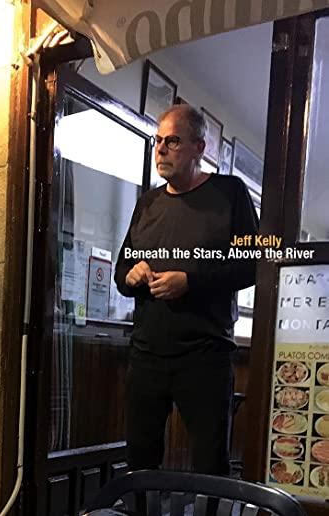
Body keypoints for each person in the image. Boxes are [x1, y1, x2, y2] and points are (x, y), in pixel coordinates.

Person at [114, 104, 258, 477]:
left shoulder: (230, 193)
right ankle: (141, 507)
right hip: (146, 354)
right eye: (158, 140)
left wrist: (189, 282)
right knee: (139, 463)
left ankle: (208, 506)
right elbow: (121, 271)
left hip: (205, 356)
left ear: (199, 147)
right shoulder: (147, 202)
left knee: (210, 465)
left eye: (173, 141)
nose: (161, 149)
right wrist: (132, 276)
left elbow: (252, 265)